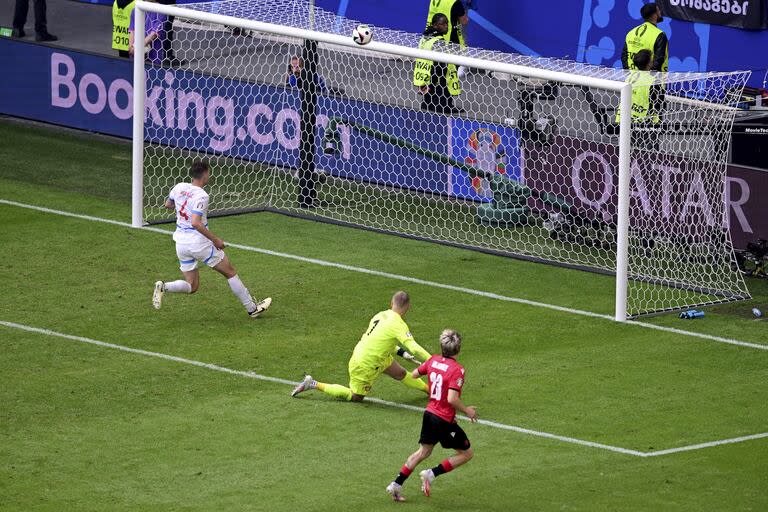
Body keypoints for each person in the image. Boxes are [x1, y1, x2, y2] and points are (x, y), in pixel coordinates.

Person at [152, 160, 272, 318]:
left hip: (180, 243)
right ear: (205, 174)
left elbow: (167, 204)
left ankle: (164, 287)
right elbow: (195, 222)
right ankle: (252, 308)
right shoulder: (202, 195)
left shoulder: (179, 187)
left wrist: (183, 204)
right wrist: (216, 240)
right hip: (199, 243)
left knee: (192, 286)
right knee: (230, 272)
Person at [386, 329, 477, 502]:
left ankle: (396, 485)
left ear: (442, 346)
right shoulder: (457, 369)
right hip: (443, 419)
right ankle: (431, 474)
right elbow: (451, 398)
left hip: (429, 415)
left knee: (424, 451)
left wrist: (428, 368)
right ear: (458, 349)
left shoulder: (433, 360)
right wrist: (467, 411)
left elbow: (414, 375)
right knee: (466, 453)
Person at [291, 291, 432, 401]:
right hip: (366, 363)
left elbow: (380, 340)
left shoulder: (380, 315)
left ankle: (430, 390)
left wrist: (402, 353)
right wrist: (435, 360)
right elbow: (414, 347)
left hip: (372, 355)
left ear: (391, 303)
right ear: (408, 307)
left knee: (400, 373)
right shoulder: (398, 324)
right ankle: (313, 384)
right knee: (356, 397)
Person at [414, 14, 462, 115]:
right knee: (442, 81)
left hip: (425, 72)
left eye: (447, 23)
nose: (446, 26)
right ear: (435, 25)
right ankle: (444, 106)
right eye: (442, 24)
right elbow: (438, 65)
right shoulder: (439, 41)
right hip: (435, 74)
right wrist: (432, 82)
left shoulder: (425, 37)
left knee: (430, 88)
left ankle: (427, 103)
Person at [621, 2, 668, 73]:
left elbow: (624, 57)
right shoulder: (660, 35)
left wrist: (629, 74)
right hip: (651, 82)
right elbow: (659, 60)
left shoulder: (631, 32)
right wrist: (648, 78)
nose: (660, 13)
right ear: (654, 15)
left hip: (632, 80)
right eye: (658, 11)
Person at [128, 0, 166, 65]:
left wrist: (137, 47)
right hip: (135, 55)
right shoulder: (135, 10)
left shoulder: (161, 11)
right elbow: (132, 31)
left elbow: (154, 34)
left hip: (153, 58)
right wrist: (131, 48)